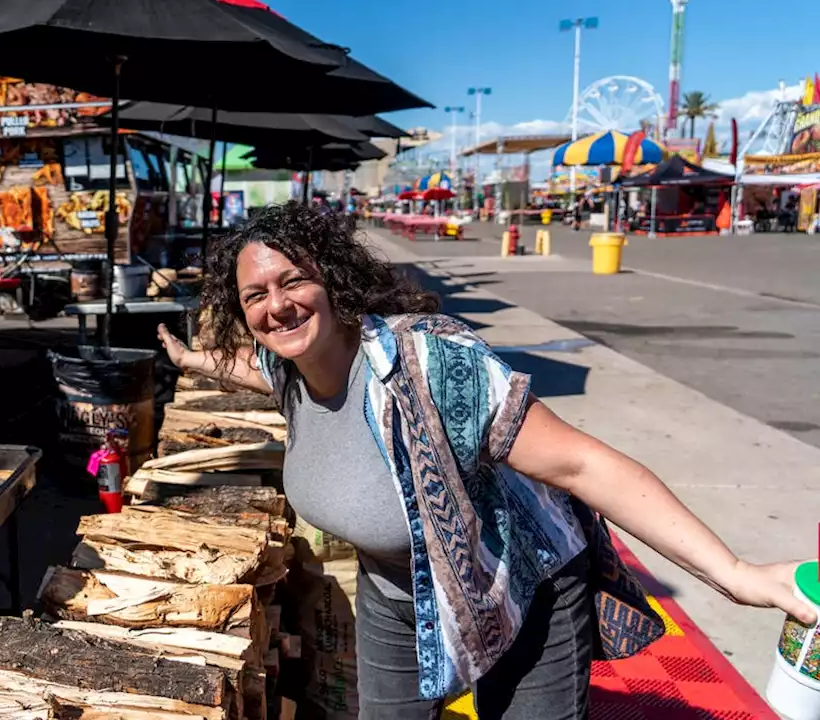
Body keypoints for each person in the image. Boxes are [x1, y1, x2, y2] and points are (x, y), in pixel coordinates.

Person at [157, 201, 813, 720]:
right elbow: (252, 370)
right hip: (399, 593)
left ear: (331, 279)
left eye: (293, 280)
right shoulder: (287, 368)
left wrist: (736, 575)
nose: (277, 305)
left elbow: (584, 465)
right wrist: (192, 361)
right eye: (256, 295)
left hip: (521, 592)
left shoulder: (427, 367)